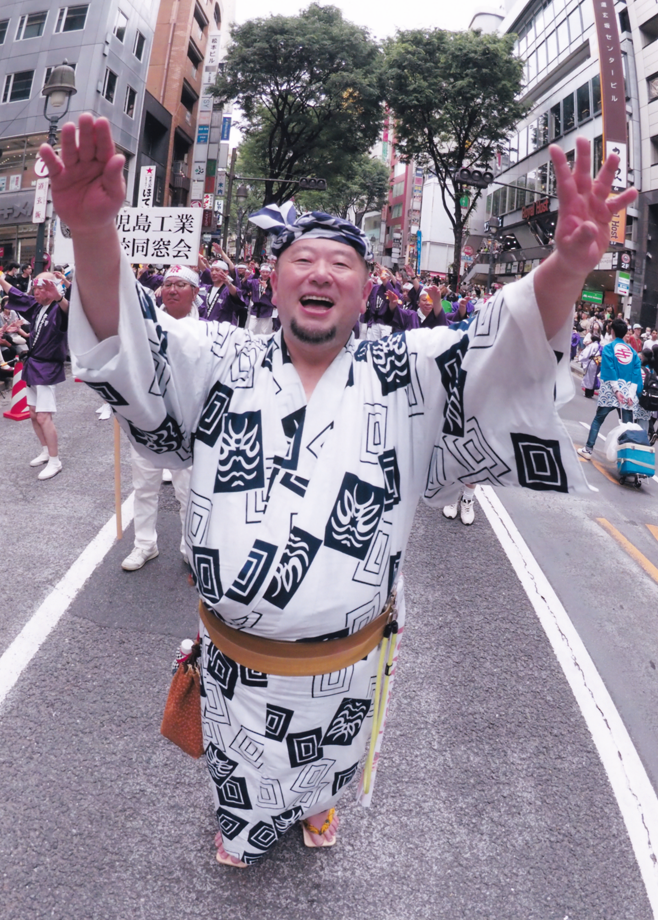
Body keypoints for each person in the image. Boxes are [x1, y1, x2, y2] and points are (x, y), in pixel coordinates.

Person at [40, 115, 636, 867]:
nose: (320, 272)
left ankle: (320, 803)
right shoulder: (220, 358)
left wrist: (565, 268)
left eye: (340, 264)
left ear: (364, 293)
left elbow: (504, 346)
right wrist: (94, 235)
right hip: (238, 664)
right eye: (302, 259)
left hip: (347, 660)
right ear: (276, 280)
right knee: (242, 784)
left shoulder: (406, 371)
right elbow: (132, 344)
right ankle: (247, 825)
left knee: (331, 759)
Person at [121, 265, 197, 571]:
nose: (173, 289)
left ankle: (191, 547)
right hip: (147, 422)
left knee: (188, 491)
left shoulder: (208, 331)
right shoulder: (141, 326)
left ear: (194, 291)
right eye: (168, 284)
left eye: (181, 284)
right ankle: (144, 544)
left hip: (189, 426)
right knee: (145, 487)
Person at [0, 270, 68, 480]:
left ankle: (55, 460)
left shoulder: (58, 308)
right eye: (36, 288)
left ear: (53, 289)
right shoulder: (38, 307)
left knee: (43, 416)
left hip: (47, 367)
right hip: (34, 364)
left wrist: (59, 296)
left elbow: (71, 312)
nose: (36, 292)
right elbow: (17, 294)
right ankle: (46, 451)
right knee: (32, 413)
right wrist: (1, 279)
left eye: (41, 288)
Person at [578, 319, 643, 459]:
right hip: (627, 393)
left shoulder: (608, 348)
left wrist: (616, 390)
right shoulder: (633, 352)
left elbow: (609, 370)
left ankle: (588, 449)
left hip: (611, 391)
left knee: (598, 419)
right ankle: (626, 457)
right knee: (627, 426)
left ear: (612, 331)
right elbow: (636, 375)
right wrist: (631, 394)